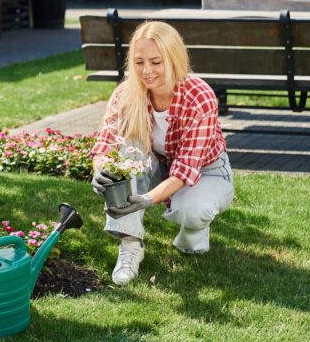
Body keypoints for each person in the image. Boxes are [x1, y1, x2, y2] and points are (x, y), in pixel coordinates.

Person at [91, 21, 234, 285]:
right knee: (127, 150)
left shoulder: (198, 95)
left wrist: (146, 199)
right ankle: (131, 245)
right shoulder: (126, 92)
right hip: (155, 163)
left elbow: (184, 170)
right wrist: (100, 170)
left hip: (206, 171)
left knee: (193, 211)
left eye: (156, 62)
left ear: (174, 59)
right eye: (139, 62)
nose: (147, 71)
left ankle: (193, 231)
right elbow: (105, 144)